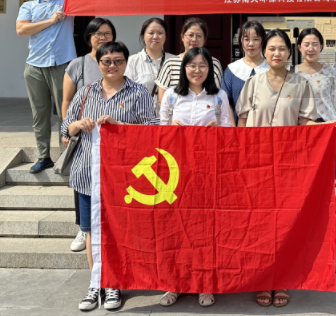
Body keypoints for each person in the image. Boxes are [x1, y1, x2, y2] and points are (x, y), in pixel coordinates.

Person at [236, 29, 336, 308]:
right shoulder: (253, 83)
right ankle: (261, 279)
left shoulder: (300, 83)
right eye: (271, 48)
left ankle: (281, 279)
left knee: (282, 224)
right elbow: (242, 123)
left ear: (289, 52)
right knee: (259, 224)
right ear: (264, 51)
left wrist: (326, 127)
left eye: (282, 48)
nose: (276, 53)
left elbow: (306, 122)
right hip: (256, 165)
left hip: (287, 166)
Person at [61, 41, 156, 312]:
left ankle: (114, 282)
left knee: (117, 228)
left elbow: (151, 129)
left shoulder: (138, 92)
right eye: (106, 61)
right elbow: (66, 128)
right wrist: (78, 124)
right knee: (91, 230)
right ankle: (96, 283)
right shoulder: (86, 91)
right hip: (87, 174)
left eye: (118, 61)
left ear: (126, 63)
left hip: (122, 177)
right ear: (99, 63)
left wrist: (120, 126)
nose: (112, 66)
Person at [157, 47, 232, 308]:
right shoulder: (171, 96)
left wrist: (218, 131)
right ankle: (174, 284)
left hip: (208, 172)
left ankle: (205, 283)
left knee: (205, 229)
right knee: (176, 229)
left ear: (209, 69)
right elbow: (159, 131)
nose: (197, 70)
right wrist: (171, 131)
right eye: (192, 65)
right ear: (184, 68)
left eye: (202, 65)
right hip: (177, 173)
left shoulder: (219, 96)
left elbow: (229, 130)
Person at [60, 17, 116, 254]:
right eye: (97, 33)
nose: (102, 37)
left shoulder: (117, 60)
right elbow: (67, 100)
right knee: (82, 180)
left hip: (111, 134)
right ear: (89, 37)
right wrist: (68, 129)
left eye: (107, 33)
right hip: (84, 133)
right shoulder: (78, 64)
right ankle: (83, 229)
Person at [16, 0, 76, 174]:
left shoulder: (66, 2)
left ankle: (66, 157)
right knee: (39, 114)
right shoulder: (29, 6)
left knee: (65, 112)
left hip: (62, 64)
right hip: (35, 66)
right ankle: (44, 156)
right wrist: (51, 21)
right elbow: (21, 29)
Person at [295, 27, 336, 179]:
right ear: (299, 47)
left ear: (321, 46)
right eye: (306, 44)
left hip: (326, 127)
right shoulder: (291, 73)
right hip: (301, 128)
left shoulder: (330, 72)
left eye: (315, 44)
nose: (311, 48)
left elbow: (335, 101)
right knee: (303, 176)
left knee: (326, 176)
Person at [155, 18, 223, 108]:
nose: (194, 39)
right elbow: (162, 97)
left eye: (199, 36)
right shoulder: (170, 63)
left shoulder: (213, 63)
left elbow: (217, 94)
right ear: (182, 37)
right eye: (190, 35)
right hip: (176, 115)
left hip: (205, 113)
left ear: (204, 39)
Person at [221, 21, 269, 124]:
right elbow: (226, 102)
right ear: (241, 41)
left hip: (267, 127)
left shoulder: (271, 68)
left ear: (263, 41)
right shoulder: (231, 71)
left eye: (256, 39)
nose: (251, 44)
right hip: (238, 127)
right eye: (246, 39)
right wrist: (233, 129)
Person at [125, 17, 176, 104]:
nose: (155, 37)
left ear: (166, 36)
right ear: (143, 36)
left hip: (169, 112)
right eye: (151, 33)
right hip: (141, 111)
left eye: (160, 33)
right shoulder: (132, 61)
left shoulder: (174, 60)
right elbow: (126, 91)